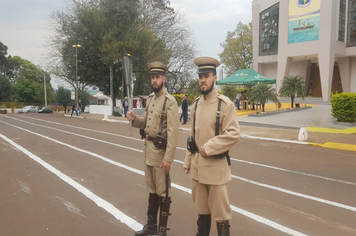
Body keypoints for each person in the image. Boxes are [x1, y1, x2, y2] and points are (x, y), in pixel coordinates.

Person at [183, 57, 240, 236]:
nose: (203, 80)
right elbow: (192, 136)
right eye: (200, 76)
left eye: (206, 76)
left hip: (216, 170)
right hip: (198, 169)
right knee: (202, 211)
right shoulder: (196, 104)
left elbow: (233, 134)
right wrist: (187, 160)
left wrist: (210, 146)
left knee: (221, 215)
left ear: (215, 78)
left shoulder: (225, 104)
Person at [126, 61, 179, 236]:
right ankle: (151, 226)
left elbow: (173, 133)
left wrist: (169, 158)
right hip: (148, 151)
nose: (154, 81)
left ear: (164, 79)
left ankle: (162, 230)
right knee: (151, 189)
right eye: (152, 78)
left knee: (163, 191)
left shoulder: (169, 102)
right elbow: (146, 124)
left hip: (160, 153)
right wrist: (134, 118)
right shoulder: (150, 99)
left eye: (157, 77)